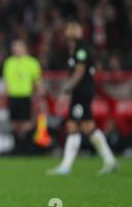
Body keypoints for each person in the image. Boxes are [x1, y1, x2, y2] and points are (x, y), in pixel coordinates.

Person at [47, 20, 118, 175]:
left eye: (76, 28)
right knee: (86, 127)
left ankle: (66, 166)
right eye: (71, 28)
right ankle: (110, 160)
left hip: (81, 93)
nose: (74, 30)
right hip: (81, 93)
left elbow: (79, 72)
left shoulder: (81, 49)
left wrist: (66, 91)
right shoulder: (75, 49)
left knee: (75, 126)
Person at [2, 39, 44, 155]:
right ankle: (17, 148)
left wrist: (40, 95)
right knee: (14, 123)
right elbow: (6, 82)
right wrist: (5, 96)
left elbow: (37, 81)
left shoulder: (32, 62)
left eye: (19, 47)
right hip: (13, 96)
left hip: (26, 96)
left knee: (26, 123)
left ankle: (27, 147)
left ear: (25, 48)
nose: (16, 50)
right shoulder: (9, 63)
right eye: (14, 48)